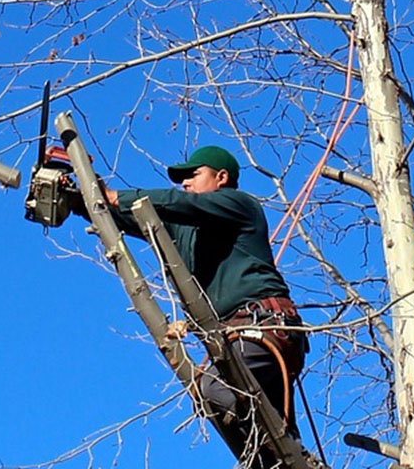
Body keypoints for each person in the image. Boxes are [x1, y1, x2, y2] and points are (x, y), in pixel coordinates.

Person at [95, 145, 309, 467]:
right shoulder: (186, 230)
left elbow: (177, 203)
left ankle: (291, 453)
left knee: (212, 388)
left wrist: (114, 196)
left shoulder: (240, 205)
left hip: (263, 326)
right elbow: (136, 217)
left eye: (193, 175)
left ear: (221, 177)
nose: (185, 184)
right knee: (260, 444)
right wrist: (86, 197)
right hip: (239, 338)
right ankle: (291, 460)